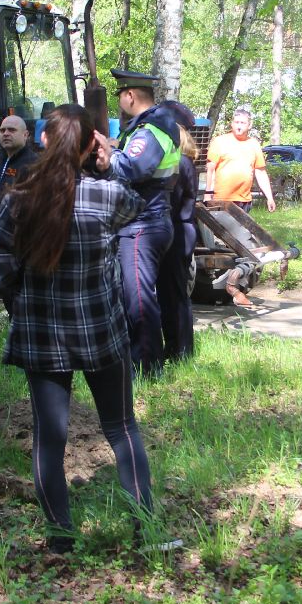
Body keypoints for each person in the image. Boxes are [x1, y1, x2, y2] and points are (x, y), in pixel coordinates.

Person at [0, 104, 157, 554]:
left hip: (41, 334)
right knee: (122, 428)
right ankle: (146, 529)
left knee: (50, 437)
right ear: (90, 146)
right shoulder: (109, 196)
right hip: (102, 332)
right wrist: (114, 157)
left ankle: (61, 539)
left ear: (42, 140)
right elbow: (142, 202)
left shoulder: (17, 200)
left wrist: (20, 303)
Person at [108, 68, 182, 376]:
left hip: (143, 223)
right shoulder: (147, 126)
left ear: (129, 96)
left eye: (120, 99)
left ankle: (148, 367)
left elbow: (132, 169)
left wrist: (105, 153)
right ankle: (143, 361)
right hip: (146, 219)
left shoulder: (151, 129)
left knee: (138, 297)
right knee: (137, 294)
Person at [158, 101, 199, 364]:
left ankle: (179, 350)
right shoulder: (186, 162)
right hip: (181, 232)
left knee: (173, 295)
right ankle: (179, 348)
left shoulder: (179, 163)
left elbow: (171, 203)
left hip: (176, 234)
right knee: (174, 294)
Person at [0, 114, 39, 242]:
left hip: (16, 242)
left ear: (26, 135)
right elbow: (0, 188)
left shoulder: (32, 164)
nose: (6, 133)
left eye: (12, 130)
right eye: (2, 130)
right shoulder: (4, 160)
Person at [205, 107, 276, 212]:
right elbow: (210, 170)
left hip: (244, 200)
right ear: (232, 124)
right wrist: (208, 194)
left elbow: (260, 173)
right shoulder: (219, 141)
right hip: (220, 199)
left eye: (242, 123)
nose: (239, 126)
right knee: (221, 228)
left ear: (249, 125)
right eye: (236, 122)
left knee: (241, 228)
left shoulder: (254, 144)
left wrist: (270, 197)